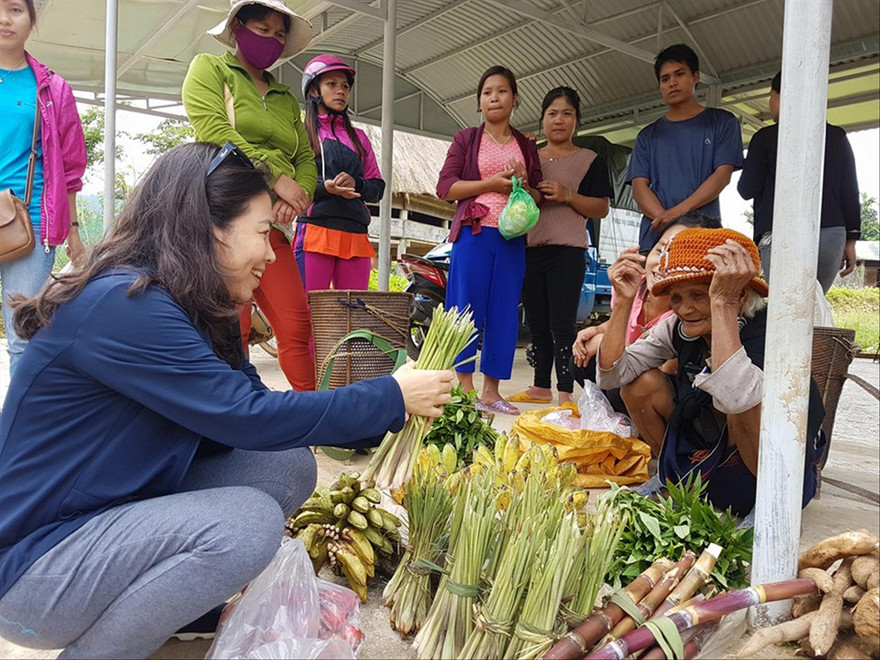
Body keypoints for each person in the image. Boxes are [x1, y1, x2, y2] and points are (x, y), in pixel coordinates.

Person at [0, 142, 453, 659]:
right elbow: (247, 418)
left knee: (283, 467)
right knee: (246, 524)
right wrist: (390, 395)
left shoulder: (198, 304)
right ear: (207, 227)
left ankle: (182, 611)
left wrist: (391, 409)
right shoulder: (126, 304)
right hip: (31, 572)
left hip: (104, 520)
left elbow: (263, 417)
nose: (270, 252)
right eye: (263, 232)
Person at [596, 227, 825, 516]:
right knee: (639, 385)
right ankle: (674, 481)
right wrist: (624, 302)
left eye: (698, 295)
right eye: (676, 298)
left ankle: (768, 507)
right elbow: (612, 376)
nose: (685, 308)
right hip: (712, 450)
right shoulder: (679, 327)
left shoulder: (776, 330)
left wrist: (723, 304)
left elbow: (736, 398)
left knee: (748, 399)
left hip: (772, 470)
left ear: (740, 295)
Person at [182, 0, 316, 391]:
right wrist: (275, 178)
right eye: (263, 29)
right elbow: (213, 129)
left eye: (280, 35)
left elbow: (306, 156)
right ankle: (232, 413)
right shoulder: (210, 69)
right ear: (237, 27)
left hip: (274, 223)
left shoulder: (286, 98)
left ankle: (313, 415)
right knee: (230, 324)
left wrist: (299, 193)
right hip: (222, 216)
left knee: (297, 322)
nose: (273, 40)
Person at [436, 65, 543, 415]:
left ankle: (492, 392)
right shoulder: (466, 139)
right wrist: (490, 185)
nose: (494, 97)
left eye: (501, 91)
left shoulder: (527, 144)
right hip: (474, 233)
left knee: (503, 311)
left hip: (512, 239)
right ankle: (465, 389)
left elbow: (538, 197)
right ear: (479, 103)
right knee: (466, 308)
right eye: (487, 92)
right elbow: (446, 188)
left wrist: (525, 183)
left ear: (515, 98)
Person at [510, 86, 612, 406]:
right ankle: (541, 386)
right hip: (530, 248)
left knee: (563, 322)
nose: (559, 120)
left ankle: (565, 391)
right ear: (542, 120)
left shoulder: (589, 160)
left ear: (576, 121)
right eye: (552, 113)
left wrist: (568, 195)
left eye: (567, 113)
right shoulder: (531, 157)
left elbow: (601, 208)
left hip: (568, 250)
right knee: (537, 321)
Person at [0, 0, 86, 376]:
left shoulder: (52, 88)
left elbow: (70, 166)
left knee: (24, 336)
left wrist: (74, 231)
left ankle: (21, 431)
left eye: (16, 9)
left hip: (29, 224)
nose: (5, 18)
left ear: (33, 20)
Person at [571, 213, 721, 412]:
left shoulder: (685, 315)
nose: (662, 264)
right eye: (660, 250)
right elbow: (626, 323)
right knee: (584, 358)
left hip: (672, 391)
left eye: (677, 255)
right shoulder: (636, 285)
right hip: (630, 364)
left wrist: (608, 342)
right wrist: (598, 329)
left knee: (634, 382)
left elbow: (664, 367)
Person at [737, 70, 861, 293]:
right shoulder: (836, 136)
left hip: (780, 233)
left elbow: (746, 189)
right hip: (831, 234)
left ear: (782, 97)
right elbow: (850, 192)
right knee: (815, 304)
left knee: (785, 306)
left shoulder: (764, 138)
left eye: (772, 95)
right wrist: (851, 241)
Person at [626, 43, 743, 252]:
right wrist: (666, 219)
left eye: (679, 74)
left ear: (696, 76)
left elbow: (722, 176)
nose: (672, 83)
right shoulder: (647, 135)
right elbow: (639, 188)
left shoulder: (722, 122)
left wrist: (675, 216)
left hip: (703, 237)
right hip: (654, 241)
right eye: (665, 79)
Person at [295, 54, 385, 291]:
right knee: (310, 313)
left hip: (355, 234)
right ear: (314, 90)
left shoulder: (360, 139)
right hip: (316, 232)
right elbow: (293, 183)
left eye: (345, 86)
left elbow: (378, 187)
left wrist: (356, 184)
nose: (341, 91)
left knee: (353, 316)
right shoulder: (302, 134)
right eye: (331, 84)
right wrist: (326, 187)